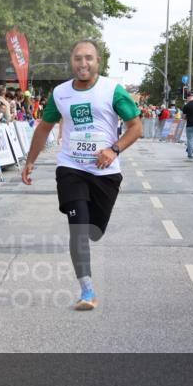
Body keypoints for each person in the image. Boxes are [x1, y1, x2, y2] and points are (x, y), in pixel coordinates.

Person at [22, 39, 142, 311]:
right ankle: (87, 290)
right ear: (71, 62)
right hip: (71, 168)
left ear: (98, 62)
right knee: (77, 228)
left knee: (94, 231)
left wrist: (114, 149)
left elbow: (136, 127)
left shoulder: (113, 91)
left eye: (89, 58)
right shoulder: (61, 93)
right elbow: (44, 128)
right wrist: (30, 161)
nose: (83, 63)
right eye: (78, 58)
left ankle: (90, 247)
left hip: (105, 172)